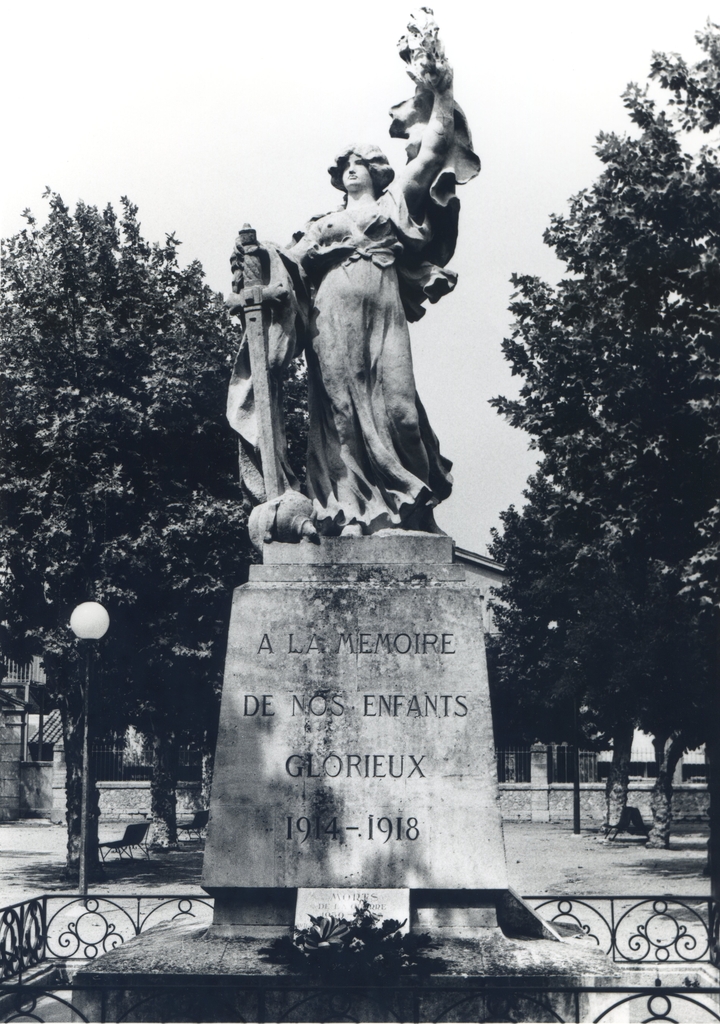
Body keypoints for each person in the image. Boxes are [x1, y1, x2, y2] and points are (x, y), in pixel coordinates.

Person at [226, 11, 479, 540]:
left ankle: (413, 509)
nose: (350, 169)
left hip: (383, 314)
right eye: (344, 165)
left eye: (359, 162)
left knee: (402, 412)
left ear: (378, 170)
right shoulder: (321, 226)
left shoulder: (394, 203)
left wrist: (443, 90)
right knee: (341, 416)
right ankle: (354, 515)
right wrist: (258, 274)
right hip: (331, 318)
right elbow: (285, 269)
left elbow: (435, 146)